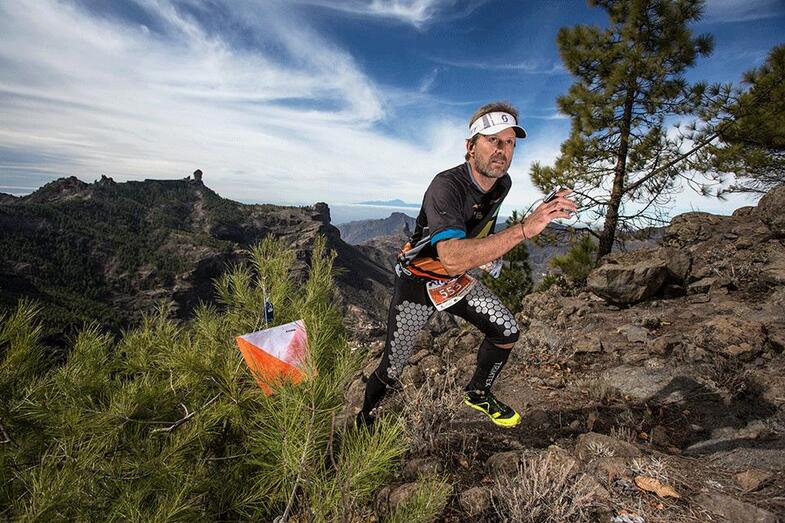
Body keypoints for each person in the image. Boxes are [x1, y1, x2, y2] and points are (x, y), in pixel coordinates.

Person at [357, 102, 577, 428]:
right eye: (493, 140)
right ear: (470, 146)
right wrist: (522, 230)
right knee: (393, 365)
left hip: (455, 280)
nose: (502, 150)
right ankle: (365, 415)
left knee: (506, 331)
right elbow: (451, 257)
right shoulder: (446, 187)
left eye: (510, 142)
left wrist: (492, 252)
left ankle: (477, 392)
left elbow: (481, 224)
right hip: (418, 281)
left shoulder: (502, 184)